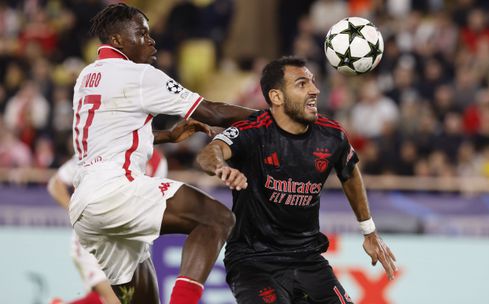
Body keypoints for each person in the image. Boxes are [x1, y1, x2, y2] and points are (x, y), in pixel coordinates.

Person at [69, 3, 254, 304]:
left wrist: (167, 135)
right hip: (116, 190)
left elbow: (109, 135)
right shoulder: (139, 74)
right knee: (217, 219)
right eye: (141, 33)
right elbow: (213, 113)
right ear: (117, 40)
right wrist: (271, 117)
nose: (151, 40)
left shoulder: (87, 76)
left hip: (86, 208)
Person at [196, 56, 397, 303]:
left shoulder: (332, 136)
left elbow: (350, 172)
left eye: (312, 82)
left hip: (308, 259)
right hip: (254, 261)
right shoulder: (254, 131)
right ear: (277, 97)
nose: (315, 90)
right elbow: (209, 153)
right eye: (302, 84)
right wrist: (221, 167)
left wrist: (369, 231)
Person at [48, 148, 167, 304]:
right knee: (116, 300)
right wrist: (78, 214)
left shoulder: (157, 162)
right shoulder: (97, 147)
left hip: (124, 244)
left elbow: (152, 204)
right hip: (91, 240)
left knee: (121, 299)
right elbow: (56, 184)